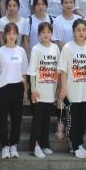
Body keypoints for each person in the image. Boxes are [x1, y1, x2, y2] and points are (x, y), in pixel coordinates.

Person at [58, 19, 86, 158]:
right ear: (73, 32)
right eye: (78, 30)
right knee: (72, 120)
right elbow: (63, 70)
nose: (81, 32)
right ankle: (74, 146)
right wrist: (63, 88)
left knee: (82, 121)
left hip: (85, 91)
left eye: (83, 30)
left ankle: (79, 143)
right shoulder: (67, 47)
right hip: (71, 91)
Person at [0, 22, 28, 159]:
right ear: (5, 35)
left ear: (17, 35)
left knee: (16, 118)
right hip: (3, 89)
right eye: (9, 33)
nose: (11, 36)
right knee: (2, 118)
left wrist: (25, 91)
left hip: (18, 87)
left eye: (14, 33)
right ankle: (4, 146)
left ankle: (13, 145)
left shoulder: (21, 51)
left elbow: (24, 74)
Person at [27, 22, 59, 158]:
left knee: (46, 120)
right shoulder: (36, 49)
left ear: (51, 33)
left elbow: (58, 69)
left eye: (48, 32)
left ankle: (44, 144)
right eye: (43, 32)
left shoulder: (55, 48)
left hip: (51, 90)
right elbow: (32, 71)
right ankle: (34, 146)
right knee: (38, 120)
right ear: (39, 34)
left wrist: (58, 88)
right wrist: (33, 90)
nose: (46, 34)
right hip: (39, 91)